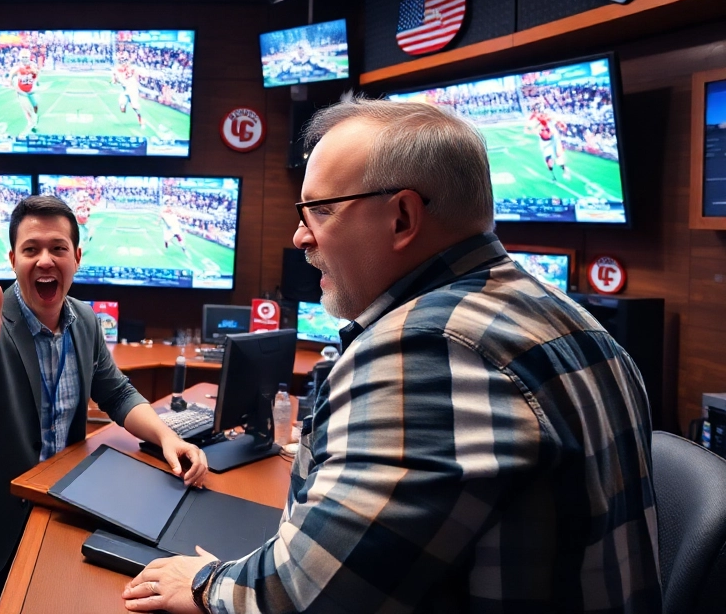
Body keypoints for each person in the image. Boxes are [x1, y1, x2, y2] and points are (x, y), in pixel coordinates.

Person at [123, 95, 660, 613]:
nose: (300, 236)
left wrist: (203, 583)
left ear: (402, 217)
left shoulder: (426, 349)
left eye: (321, 211)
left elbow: (303, 599)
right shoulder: (576, 320)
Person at [0, 194, 208, 614]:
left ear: (76, 256)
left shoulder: (85, 320)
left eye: (57, 248)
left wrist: (168, 436)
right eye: (31, 249)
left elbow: (116, 393)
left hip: (56, 501)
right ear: (12, 258)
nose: (45, 260)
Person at [9, 48, 40, 135]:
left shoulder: (33, 65)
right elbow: (11, 76)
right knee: (27, 108)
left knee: (35, 106)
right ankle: (31, 123)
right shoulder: (18, 67)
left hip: (31, 90)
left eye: (26, 57)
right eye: (23, 57)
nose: (25, 59)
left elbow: (37, 73)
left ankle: (34, 118)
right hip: (22, 91)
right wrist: (12, 85)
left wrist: (35, 80)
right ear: (20, 57)